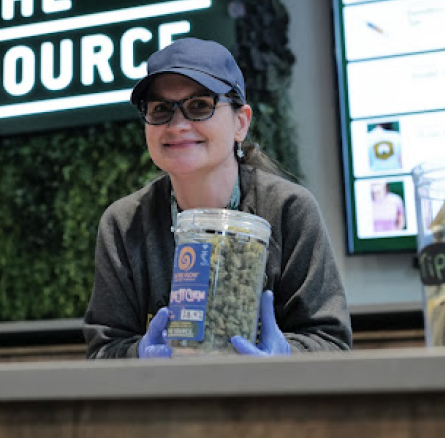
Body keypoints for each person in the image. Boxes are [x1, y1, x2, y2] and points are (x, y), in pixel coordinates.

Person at [83, 38, 353, 359]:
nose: (178, 125)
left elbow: (331, 342)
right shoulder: (123, 224)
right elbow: (103, 349)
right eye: (161, 109)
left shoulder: (289, 210)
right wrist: (138, 354)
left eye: (200, 105)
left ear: (241, 122)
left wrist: (285, 357)